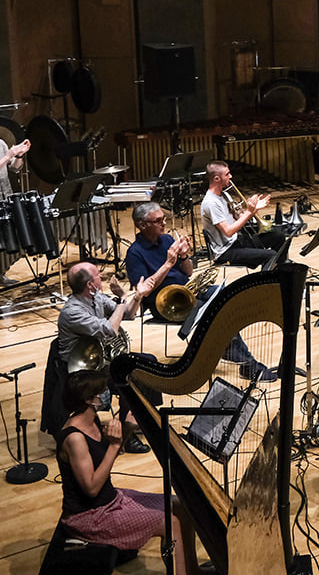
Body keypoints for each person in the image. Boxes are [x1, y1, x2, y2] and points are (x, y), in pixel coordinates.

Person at [54, 370, 198, 574]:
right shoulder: (74, 438)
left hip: (111, 500)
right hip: (90, 516)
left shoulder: (92, 420)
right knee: (170, 522)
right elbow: (92, 488)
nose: (106, 393)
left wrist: (127, 429)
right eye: (102, 391)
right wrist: (114, 445)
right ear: (88, 400)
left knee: (180, 505)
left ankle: (191, 569)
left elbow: (106, 457)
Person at [125, 202, 269, 381]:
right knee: (212, 312)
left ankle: (230, 352)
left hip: (187, 292)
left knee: (225, 296)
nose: (164, 223)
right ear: (142, 225)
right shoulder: (134, 253)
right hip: (164, 306)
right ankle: (244, 362)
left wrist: (184, 256)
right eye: (158, 221)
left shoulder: (167, 240)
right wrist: (168, 264)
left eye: (164, 218)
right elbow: (144, 292)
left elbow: (188, 272)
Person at [56, 262, 152, 453]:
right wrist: (123, 298)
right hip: (80, 371)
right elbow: (109, 329)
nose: (102, 276)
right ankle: (126, 434)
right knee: (130, 376)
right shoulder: (72, 311)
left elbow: (127, 314)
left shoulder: (96, 297)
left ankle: (136, 419)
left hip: (98, 360)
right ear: (90, 285)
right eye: (98, 275)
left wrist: (137, 296)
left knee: (146, 362)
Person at [201, 160, 290, 268]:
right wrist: (249, 212)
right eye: (227, 174)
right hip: (225, 251)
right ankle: (267, 278)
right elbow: (228, 232)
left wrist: (254, 209)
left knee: (278, 237)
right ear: (216, 179)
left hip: (236, 241)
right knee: (271, 256)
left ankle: (281, 272)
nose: (231, 176)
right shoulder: (211, 203)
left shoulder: (224, 195)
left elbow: (239, 219)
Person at [0, 137, 29, 285]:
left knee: (6, 239)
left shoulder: (0, 143)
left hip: (5, 197)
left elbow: (15, 168)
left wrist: (18, 156)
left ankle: (1, 273)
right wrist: (9, 155)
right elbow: (5, 159)